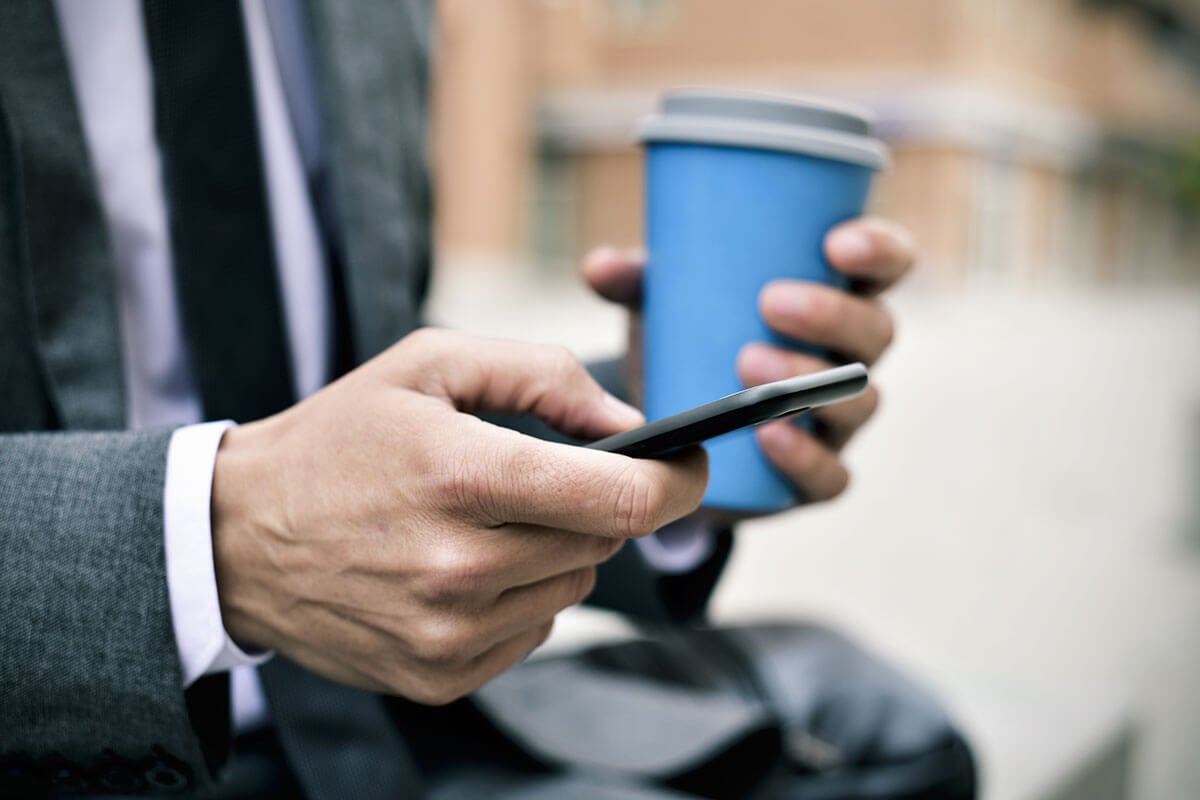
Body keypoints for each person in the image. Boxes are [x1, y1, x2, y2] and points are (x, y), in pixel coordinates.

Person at [0, 1, 967, 798]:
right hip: (68, 745)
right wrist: (218, 545)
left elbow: (358, 430)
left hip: (386, 721)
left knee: (905, 739)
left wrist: (648, 424)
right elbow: (290, 501)